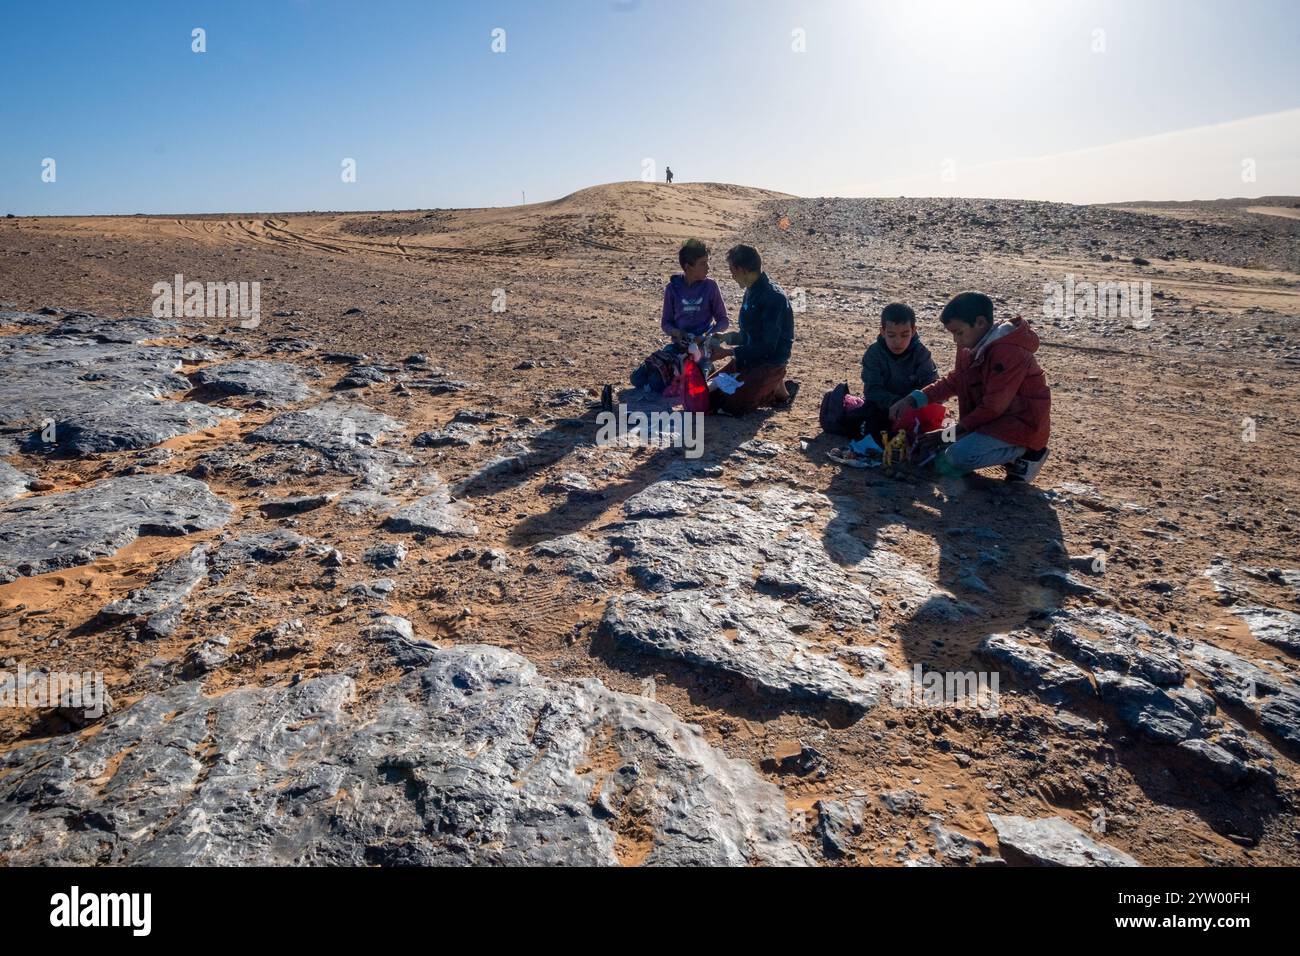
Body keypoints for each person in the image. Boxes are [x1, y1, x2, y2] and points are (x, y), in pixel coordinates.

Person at [890, 291, 1051, 481]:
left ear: (980, 323)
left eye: (958, 332)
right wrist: (914, 399)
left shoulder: (1008, 352)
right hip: (986, 422)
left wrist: (948, 434)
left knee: (956, 456)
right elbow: (957, 380)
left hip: (1019, 425)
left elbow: (993, 407)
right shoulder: (970, 344)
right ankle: (995, 448)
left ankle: (1027, 453)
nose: (955, 340)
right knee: (941, 451)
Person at [630, 238, 728, 393]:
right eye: (703, 263)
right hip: (678, 348)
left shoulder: (710, 287)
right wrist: (677, 333)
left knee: (696, 386)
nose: (708, 267)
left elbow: (723, 321)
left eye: (708, 262)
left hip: (701, 349)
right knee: (637, 379)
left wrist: (706, 335)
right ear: (688, 267)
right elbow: (666, 323)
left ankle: (705, 366)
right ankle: (679, 372)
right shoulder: (673, 288)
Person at [710, 244, 797, 415]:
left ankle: (776, 386)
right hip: (748, 358)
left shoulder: (774, 298)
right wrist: (725, 338)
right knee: (706, 394)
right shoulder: (751, 291)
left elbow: (767, 347)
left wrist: (728, 353)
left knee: (731, 406)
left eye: (732, 271)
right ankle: (772, 386)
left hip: (769, 361)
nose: (732, 276)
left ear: (740, 269)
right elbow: (747, 335)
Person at [844, 302, 941, 441]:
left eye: (904, 335)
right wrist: (896, 404)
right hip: (884, 408)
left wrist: (911, 403)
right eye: (891, 335)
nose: (898, 341)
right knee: (872, 432)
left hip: (915, 409)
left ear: (913, 331)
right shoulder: (874, 353)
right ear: (882, 332)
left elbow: (933, 388)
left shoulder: (922, 354)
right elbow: (872, 390)